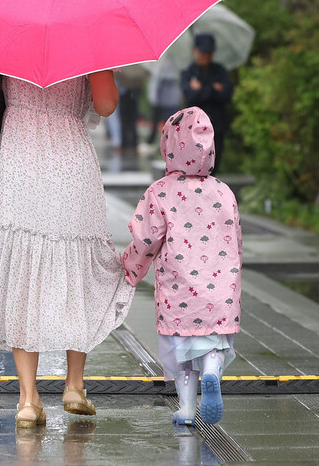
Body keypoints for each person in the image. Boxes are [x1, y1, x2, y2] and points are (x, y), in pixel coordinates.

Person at [0, 66, 134, 428]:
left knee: (23, 271)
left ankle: (27, 398)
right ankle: (74, 384)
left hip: (18, 162)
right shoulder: (87, 35)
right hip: (70, 162)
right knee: (77, 266)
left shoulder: (7, 27)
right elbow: (105, 105)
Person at [121, 107, 242, 426]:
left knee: (182, 357)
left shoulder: (159, 192)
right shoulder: (224, 192)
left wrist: (131, 267)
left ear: (169, 147)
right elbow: (236, 242)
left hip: (179, 296)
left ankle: (187, 409)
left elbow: (146, 240)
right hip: (219, 296)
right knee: (212, 344)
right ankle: (214, 371)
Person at [180, 34, 233, 174]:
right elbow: (190, 96)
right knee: (196, 162)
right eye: (203, 52)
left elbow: (226, 95)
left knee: (215, 161)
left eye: (209, 52)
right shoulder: (188, 72)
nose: (206, 56)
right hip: (195, 126)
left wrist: (201, 89)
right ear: (194, 50)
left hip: (217, 124)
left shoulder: (219, 71)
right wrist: (213, 89)